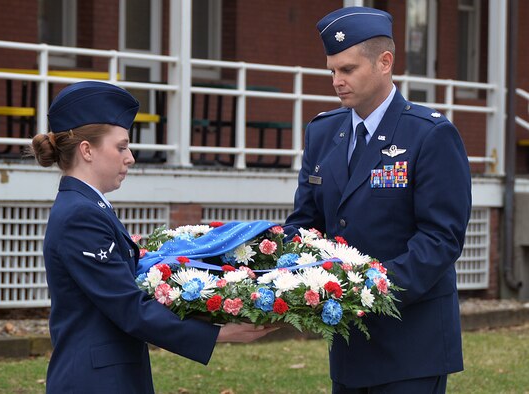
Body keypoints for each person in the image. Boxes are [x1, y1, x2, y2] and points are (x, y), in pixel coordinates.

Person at [30, 81, 275, 394]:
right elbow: (128, 307)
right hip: (94, 381)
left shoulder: (87, 206)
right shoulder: (81, 214)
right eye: (121, 147)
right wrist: (220, 333)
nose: (130, 157)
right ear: (87, 150)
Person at [283, 6, 471, 394]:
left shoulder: (429, 135)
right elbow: (305, 223)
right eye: (332, 70)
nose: (337, 81)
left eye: (348, 70)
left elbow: (440, 239)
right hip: (349, 344)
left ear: (385, 62)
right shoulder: (323, 132)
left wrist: (369, 288)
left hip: (412, 345)